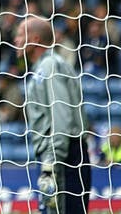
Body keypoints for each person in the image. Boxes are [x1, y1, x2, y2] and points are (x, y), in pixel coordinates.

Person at [14, 16, 91, 214]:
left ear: (36, 39)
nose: (15, 40)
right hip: (57, 155)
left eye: (21, 34)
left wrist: (51, 162)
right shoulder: (43, 67)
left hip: (61, 158)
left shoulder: (50, 66)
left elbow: (61, 115)